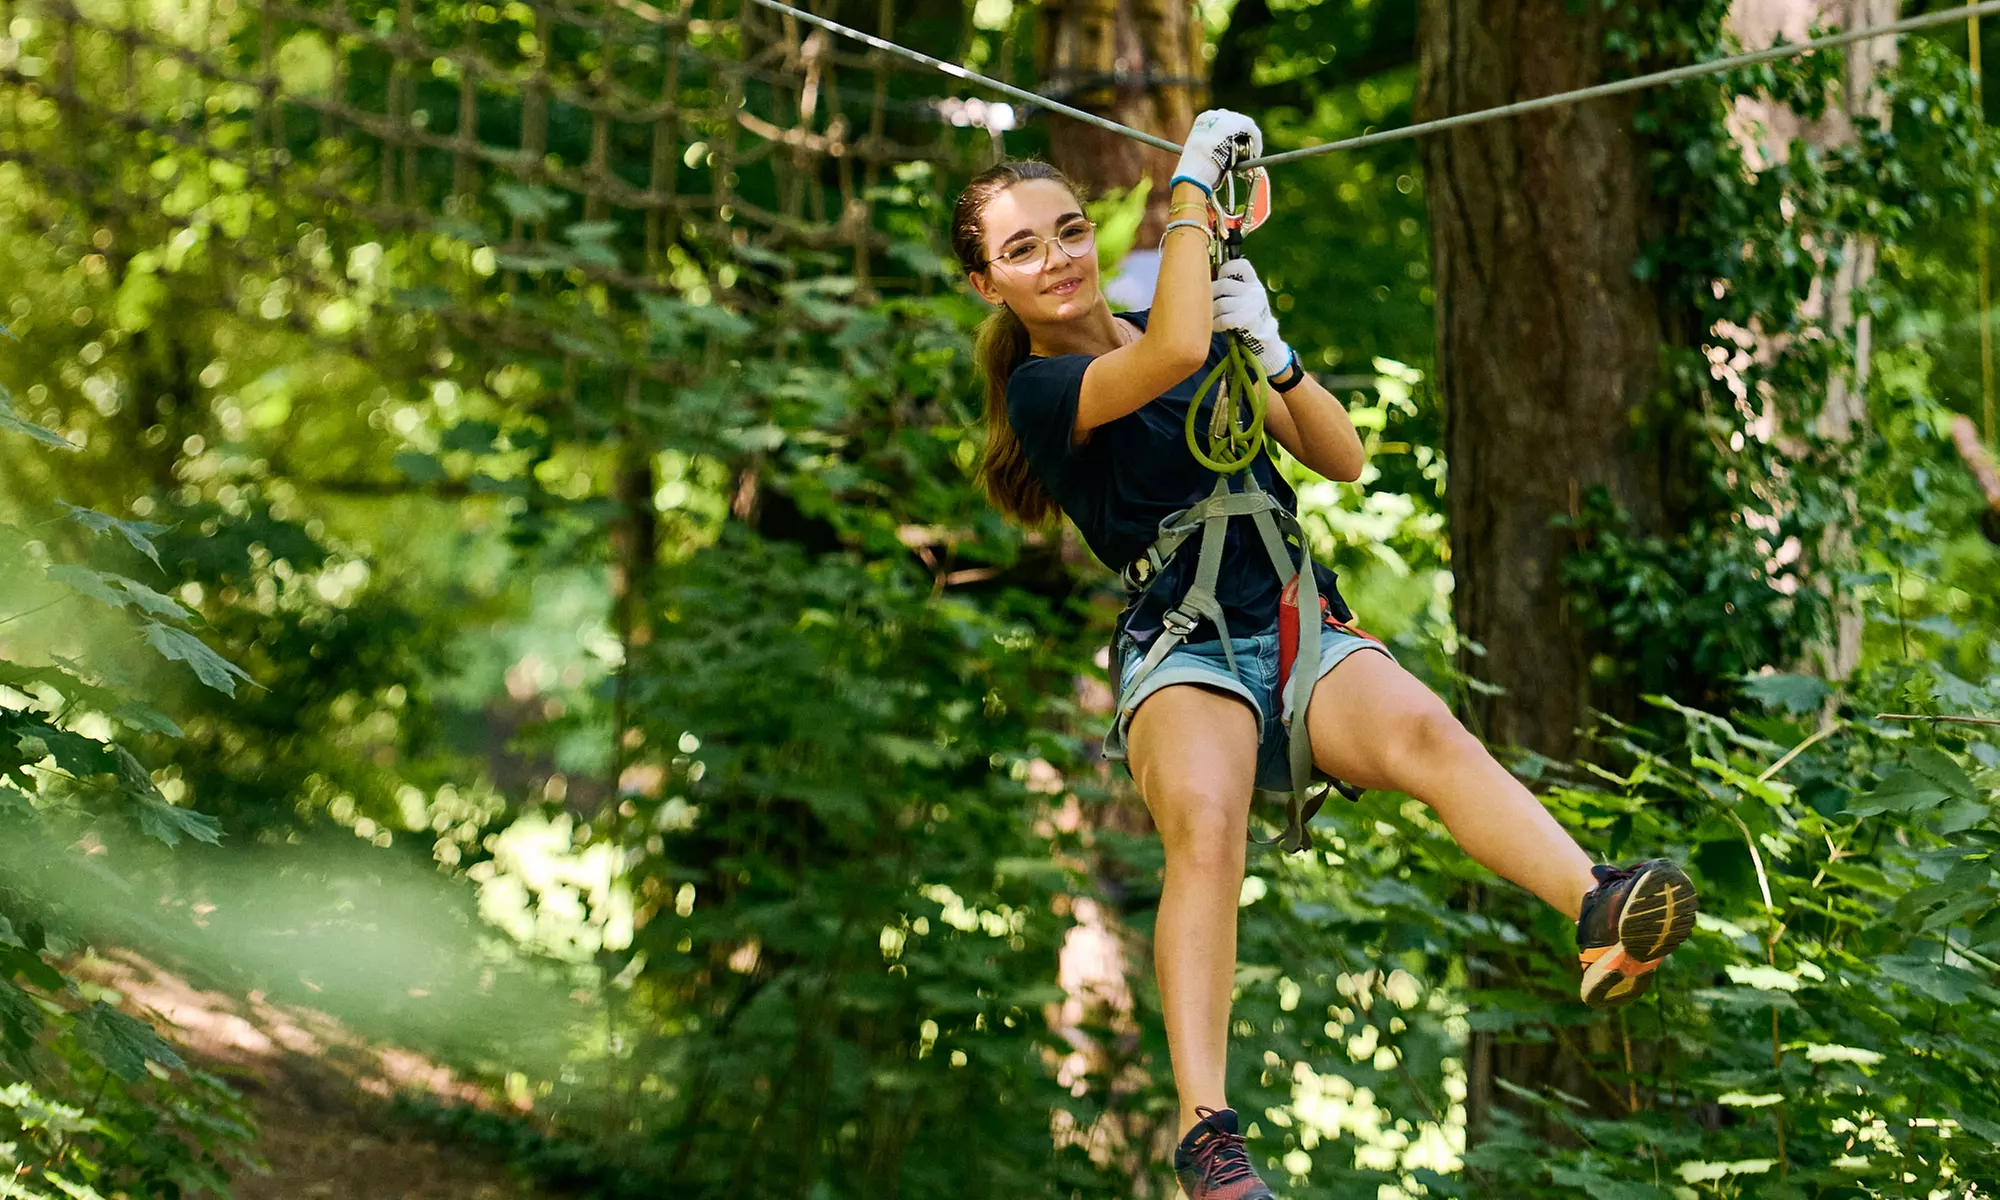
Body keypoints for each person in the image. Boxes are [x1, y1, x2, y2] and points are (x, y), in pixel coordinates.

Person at [951, 110, 1699, 1200]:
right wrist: (1192, 191)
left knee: (1425, 733)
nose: (1057, 258)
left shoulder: (1185, 318)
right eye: (1022, 250)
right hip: (1185, 647)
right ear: (990, 287)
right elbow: (1165, 355)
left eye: (1066, 231)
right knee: (1204, 829)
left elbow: (1338, 457)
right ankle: (1207, 1139)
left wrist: (1270, 348)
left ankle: (1595, 911)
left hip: (1295, 622)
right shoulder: (1042, 391)